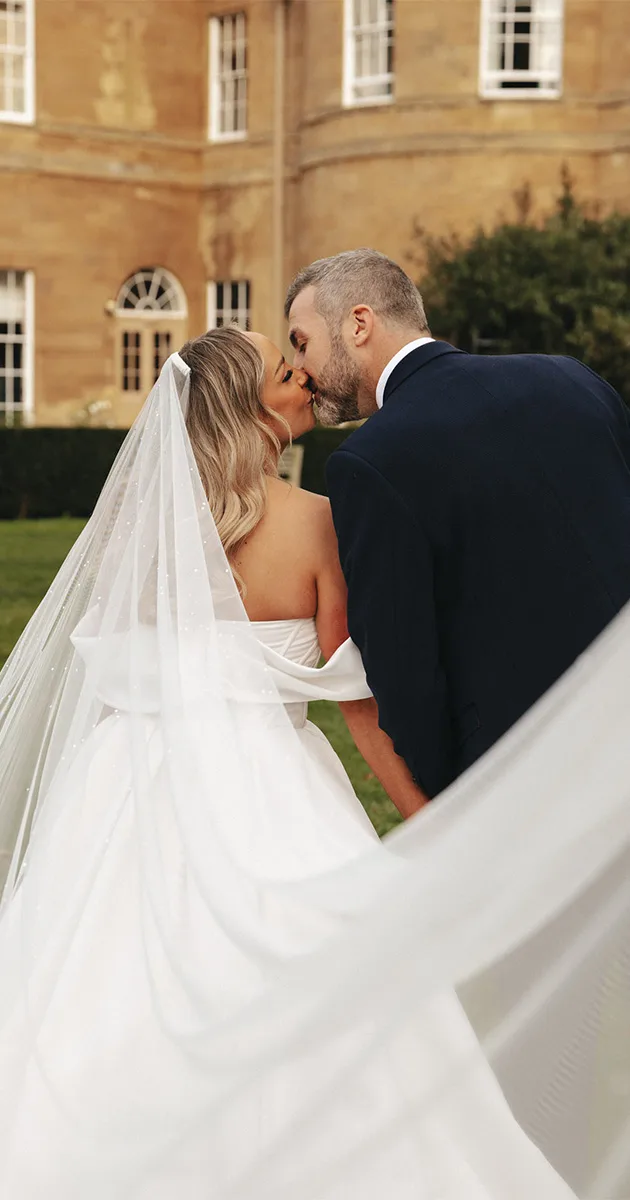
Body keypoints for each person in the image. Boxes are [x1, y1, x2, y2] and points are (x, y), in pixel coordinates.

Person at [0, 326, 626, 1199]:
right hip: (267, 784)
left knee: (94, 987)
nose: (304, 381)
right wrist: (441, 823)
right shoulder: (317, 524)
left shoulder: (134, 537)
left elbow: (114, 680)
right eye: (285, 373)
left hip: (128, 774)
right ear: (249, 409)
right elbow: (360, 705)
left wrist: (99, 800)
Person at [285, 248, 630, 798]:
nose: (299, 368)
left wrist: (454, 806)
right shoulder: (574, 381)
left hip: (522, 775)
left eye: (302, 341)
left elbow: (404, 673)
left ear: (358, 323)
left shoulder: (368, 461)